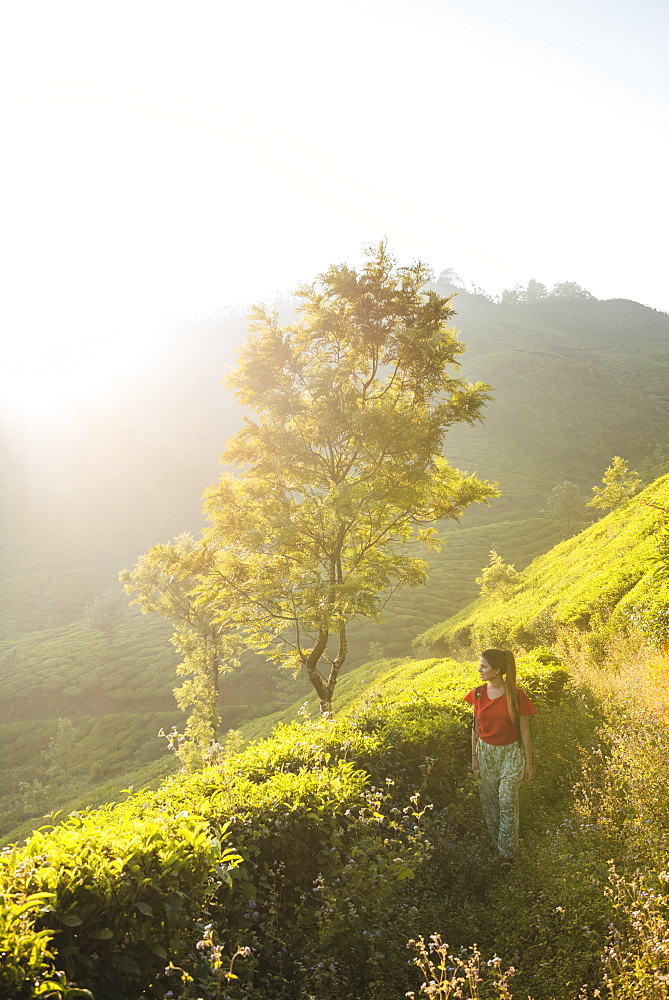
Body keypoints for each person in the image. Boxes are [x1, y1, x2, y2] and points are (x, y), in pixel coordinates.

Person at [464, 648, 536, 867]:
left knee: (507, 800)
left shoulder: (516, 695)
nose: (480, 670)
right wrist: (474, 757)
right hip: (486, 753)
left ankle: (507, 855)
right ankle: (499, 844)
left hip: (511, 753)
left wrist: (528, 763)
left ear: (496, 670)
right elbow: (475, 728)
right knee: (489, 804)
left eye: (484, 666)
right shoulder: (477, 694)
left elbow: (525, 731)